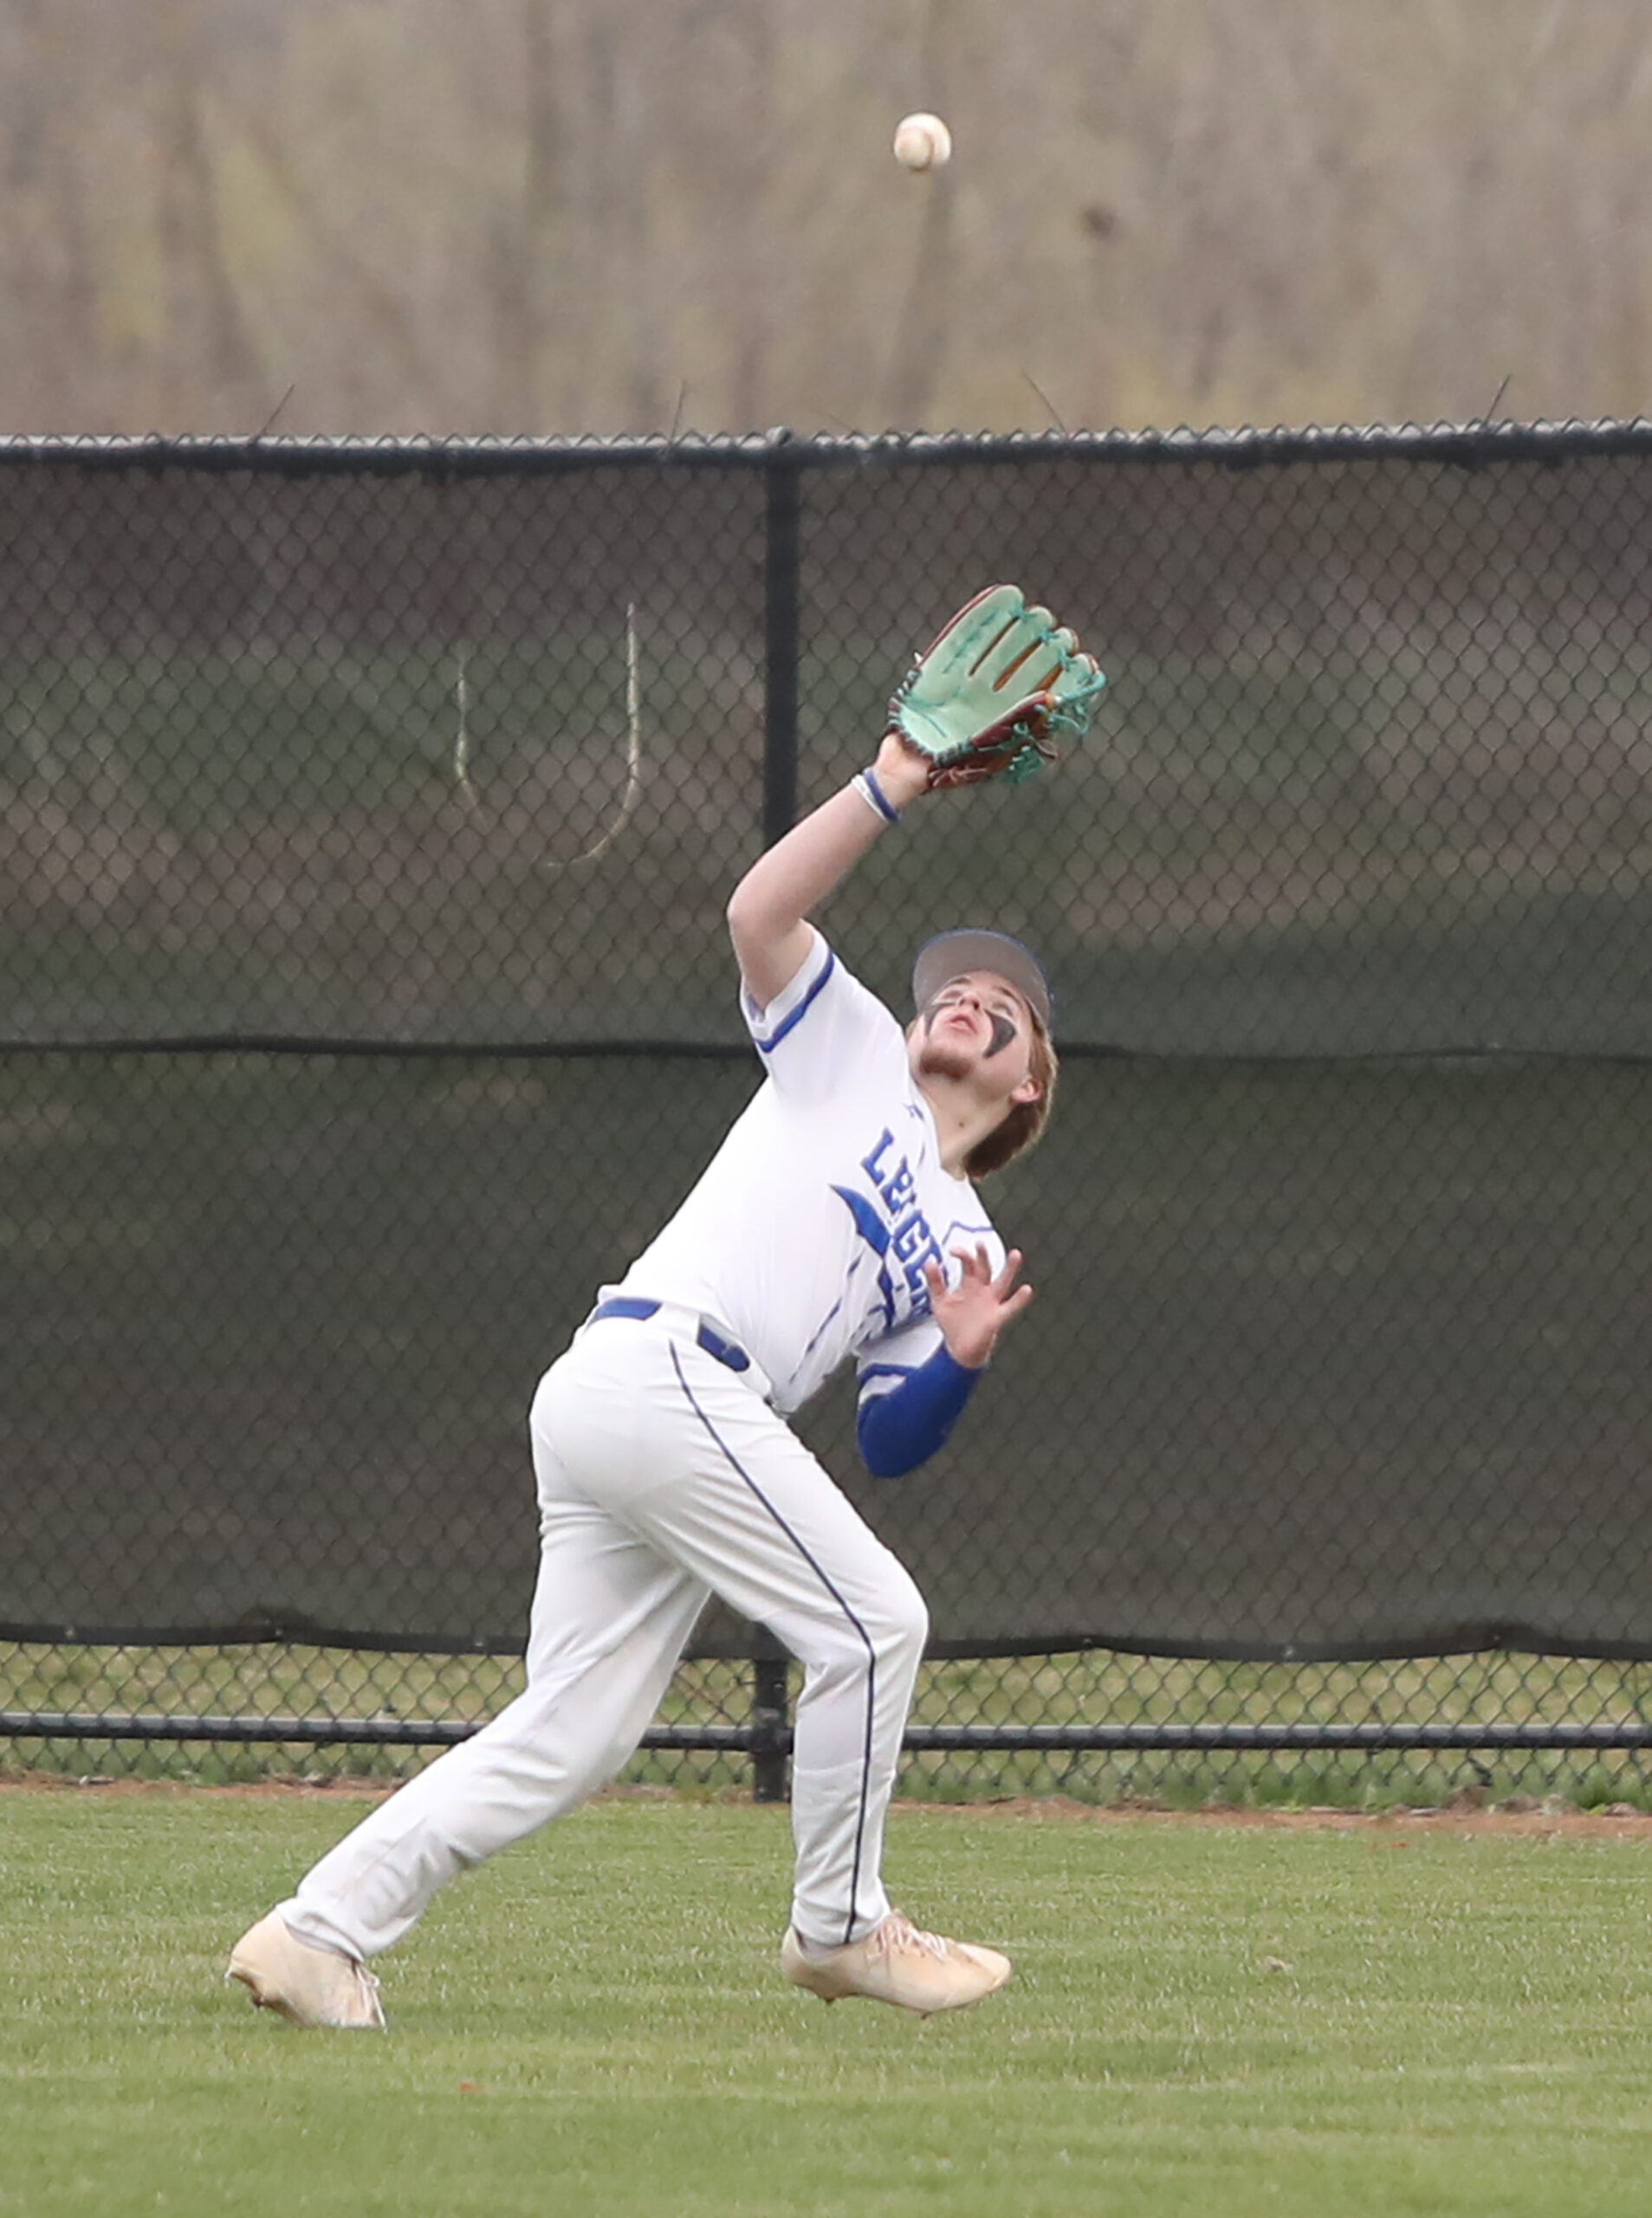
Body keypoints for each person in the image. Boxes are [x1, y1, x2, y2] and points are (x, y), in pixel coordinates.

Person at [227, 722, 1059, 2029]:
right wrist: (893, 780)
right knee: (877, 1627)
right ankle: (841, 1924)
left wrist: (954, 1362)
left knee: (575, 1733)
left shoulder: (964, 1244)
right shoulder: (844, 1043)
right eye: (949, 990)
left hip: (663, 1414)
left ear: (1025, 1088)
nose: (964, 1001)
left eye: (1000, 1012)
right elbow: (760, 908)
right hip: (663, 1371)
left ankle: (314, 1936)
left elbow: (892, 1441)